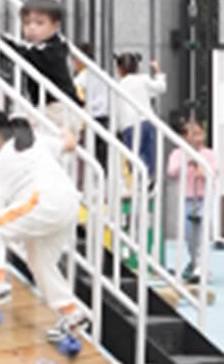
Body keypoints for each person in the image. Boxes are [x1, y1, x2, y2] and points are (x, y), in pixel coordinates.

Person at [0, 107, 88, 343]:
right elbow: (70, 144)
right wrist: (65, 132)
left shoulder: (0, 164)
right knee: (40, 261)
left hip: (44, 201)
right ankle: (71, 312)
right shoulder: (36, 141)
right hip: (69, 203)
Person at [0, 0, 80, 143]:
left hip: (59, 108)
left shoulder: (53, 49)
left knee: (47, 142)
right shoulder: (43, 46)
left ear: (55, 25)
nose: (32, 27)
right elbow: (23, 50)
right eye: (26, 23)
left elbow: (25, 55)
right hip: (50, 106)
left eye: (39, 23)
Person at [166, 114, 218, 283]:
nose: (197, 137)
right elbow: (171, 171)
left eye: (199, 133)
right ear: (184, 137)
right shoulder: (178, 153)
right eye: (192, 134)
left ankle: (201, 267)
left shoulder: (208, 154)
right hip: (187, 199)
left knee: (202, 232)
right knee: (190, 235)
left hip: (204, 198)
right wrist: (187, 160)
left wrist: (203, 171)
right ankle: (194, 262)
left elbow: (215, 171)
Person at [111, 52, 166, 185]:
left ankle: (139, 182)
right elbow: (161, 87)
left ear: (118, 69)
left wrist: (116, 129)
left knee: (133, 157)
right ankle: (149, 180)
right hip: (147, 122)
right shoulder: (143, 79)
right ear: (137, 67)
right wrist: (158, 71)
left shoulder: (119, 86)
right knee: (149, 156)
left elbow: (116, 110)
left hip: (129, 125)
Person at [72, 41, 111, 168]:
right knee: (103, 158)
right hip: (105, 119)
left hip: (89, 120)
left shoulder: (81, 78)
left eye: (74, 59)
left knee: (87, 158)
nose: (73, 62)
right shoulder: (102, 73)